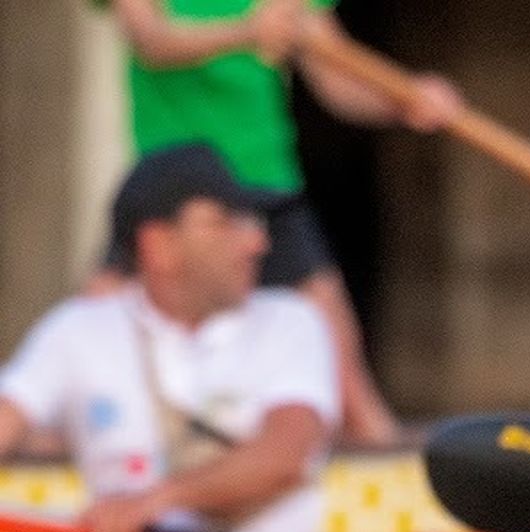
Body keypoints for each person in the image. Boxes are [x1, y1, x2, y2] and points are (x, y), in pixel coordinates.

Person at [90, 0, 463, 446]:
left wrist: (403, 100)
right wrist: (248, 31)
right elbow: (152, 41)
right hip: (171, 190)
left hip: (264, 183)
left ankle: (399, 483)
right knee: (92, 331)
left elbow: (337, 79)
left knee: (344, 372)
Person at [0, 143, 339, 532]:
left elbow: (285, 454)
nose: (256, 242)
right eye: (226, 222)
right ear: (158, 246)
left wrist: (153, 502)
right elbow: (8, 416)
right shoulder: (79, 330)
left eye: (252, 222)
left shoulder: (290, 320)